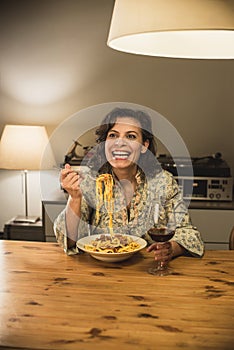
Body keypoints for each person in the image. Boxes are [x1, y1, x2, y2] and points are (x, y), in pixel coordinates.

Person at [54, 107, 204, 265]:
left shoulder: (164, 182)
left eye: (131, 136)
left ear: (144, 145)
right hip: (102, 272)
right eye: (113, 135)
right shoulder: (92, 181)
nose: (120, 143)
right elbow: (70, 240)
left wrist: (171, 249)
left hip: (150, 272)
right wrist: (74, 197)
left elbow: (189, 234)